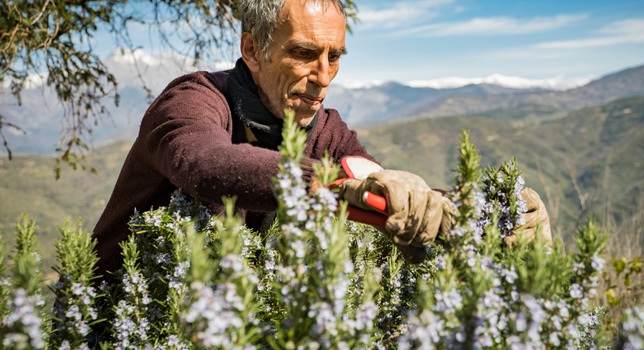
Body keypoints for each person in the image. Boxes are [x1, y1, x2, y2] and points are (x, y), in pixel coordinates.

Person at [92, 0, 551, 283]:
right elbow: (206, 164)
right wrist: (331, 186)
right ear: (252, 50)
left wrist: (489, 212)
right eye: (305, 54)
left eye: (335, 57)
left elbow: (376, 185)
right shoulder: (191, 101)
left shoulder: (325, 129)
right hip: (117, 322)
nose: (324, 77)